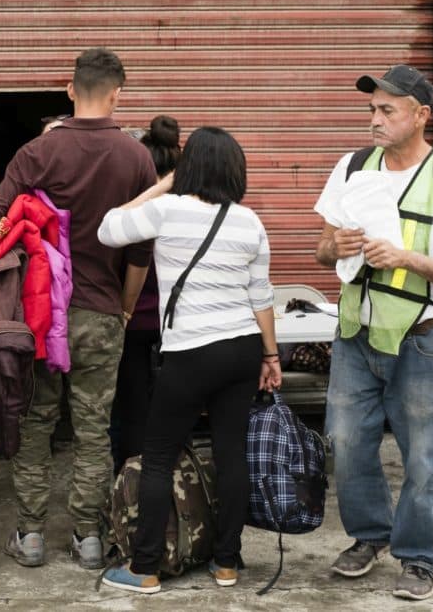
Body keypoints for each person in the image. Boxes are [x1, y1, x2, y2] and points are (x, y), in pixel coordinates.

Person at [313, 65, 433, 601]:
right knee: (347, 444)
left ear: (422, 116)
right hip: (357, 334)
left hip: (427, 339)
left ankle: (418, 558)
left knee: (423, 455)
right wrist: (339, 248)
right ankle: (369, 536)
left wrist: (407, 258)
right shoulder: (351, 168)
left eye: (387, 110)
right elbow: (323, 250)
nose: (375, 119)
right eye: (372, 109)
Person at [0, 47, 157, 570]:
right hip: (101, 314)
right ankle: (89, 538)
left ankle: (31, 536)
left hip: (39, 317)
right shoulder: (136, 157)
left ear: (70, 90)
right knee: (93, 428)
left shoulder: (38, 152)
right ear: (118, 93)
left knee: (35, 422)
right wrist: (123, 310)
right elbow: (141, 250)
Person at [97, 127, 280, 593]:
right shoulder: (249, 221)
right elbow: (261, 296)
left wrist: (163, 184)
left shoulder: (167, 209)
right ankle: (227, 563)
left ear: (187, 168)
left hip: (190, 351)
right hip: (241, 349)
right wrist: (271, 354)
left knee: (157, 458)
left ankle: (145, 568)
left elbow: (108, 226)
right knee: (230, 454)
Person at [110, 114, 181, 473]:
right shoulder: (190, 211)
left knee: (130, 411)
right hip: (178, 329)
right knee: (174, 412)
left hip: (133, 325)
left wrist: (123, 310)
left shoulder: (132, 213)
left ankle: (130, 489)